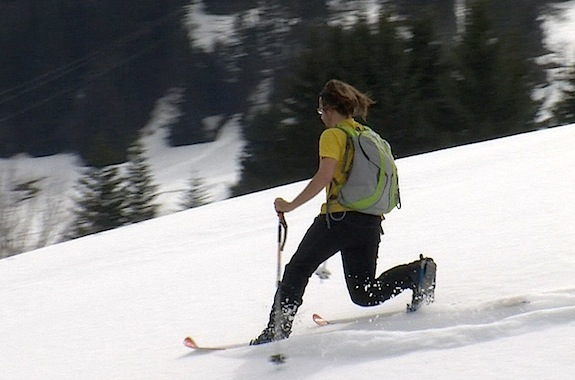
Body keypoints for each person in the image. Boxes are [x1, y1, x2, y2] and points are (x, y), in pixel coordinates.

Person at [250, 79, 436, 345]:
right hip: (369, 222)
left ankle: (278, 329)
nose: (321, 117)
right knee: (364, 292)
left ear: (328, 109)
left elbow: (325, 176)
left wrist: (289, 205)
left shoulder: (333, 135)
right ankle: (417, 272)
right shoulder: (364, 133)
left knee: (297, 270)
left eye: (321, 111)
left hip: (338, 220)